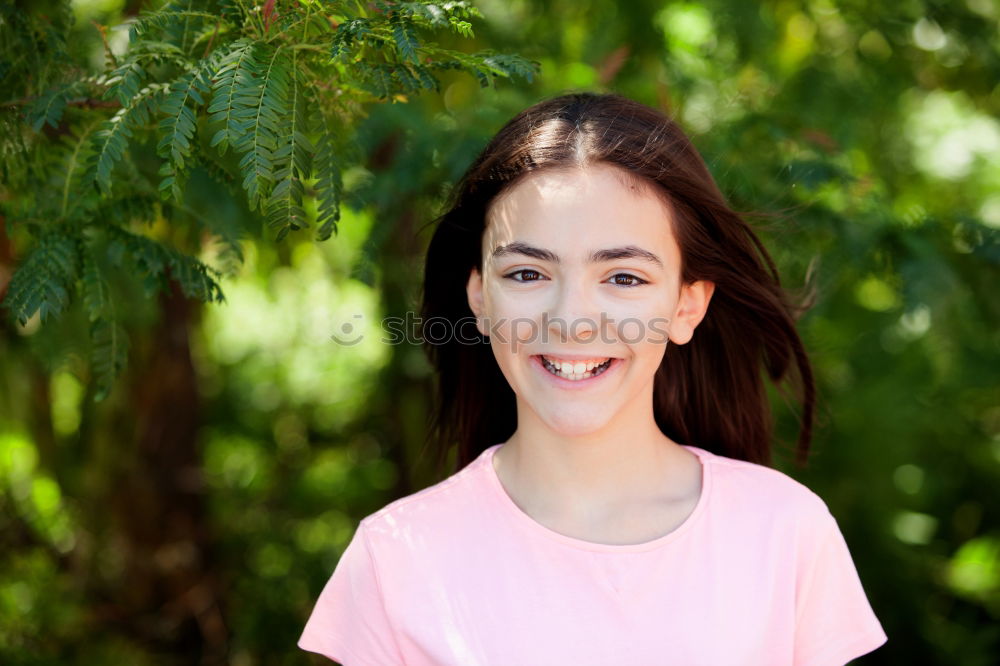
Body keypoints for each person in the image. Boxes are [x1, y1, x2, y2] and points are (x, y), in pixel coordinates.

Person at [298, 92, 888, 665]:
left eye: (624, 278)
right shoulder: (395, 557)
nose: (572, 320)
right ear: (479, 296)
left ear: (687, 305)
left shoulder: (786, 532)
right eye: (528, 273)